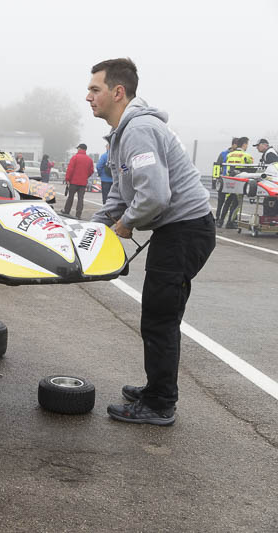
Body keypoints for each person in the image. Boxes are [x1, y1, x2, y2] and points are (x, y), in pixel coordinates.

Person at [87, 57, 215, 425]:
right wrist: (93, 227)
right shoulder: (122, 135)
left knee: (160, 317)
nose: (88, 97)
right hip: (178, 231)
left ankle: (159, 403)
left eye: (95, 89)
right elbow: (122, 195)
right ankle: (156, 389)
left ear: (118, 92)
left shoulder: (139, 130)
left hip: (185, 231)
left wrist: (125, 226)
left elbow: (155, 196)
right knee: (158, 315)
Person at [218, 137, 253, 229]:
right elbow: (251, 169)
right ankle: (231, 222)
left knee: (227, 202)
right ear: (244, 144)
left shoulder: (230, 155)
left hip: (230, 181)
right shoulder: (247, 156)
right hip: (239, 182)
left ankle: (220, 221)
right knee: (237, 203)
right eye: (247, 144)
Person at [60, 143, 94, 218]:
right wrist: (85, 176)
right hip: (83, 182)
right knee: (80, 199)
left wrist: (67, 179)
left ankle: (67, 211)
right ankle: (78, 214)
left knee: (70, 197)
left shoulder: (75, 157)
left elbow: (70, 169)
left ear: (79, 149)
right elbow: (91, 171)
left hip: (74, 182)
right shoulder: (89, 160)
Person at [214, 138, 238, 221]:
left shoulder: (239, 155)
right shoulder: (223, 154)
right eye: (237, 146)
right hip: (223, 181)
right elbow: (217, 166)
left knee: (232, 202)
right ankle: (217, 217)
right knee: (221, 201)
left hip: (233, 182)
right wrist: (216, 181)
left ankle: (230, 219)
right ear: (233, 144)